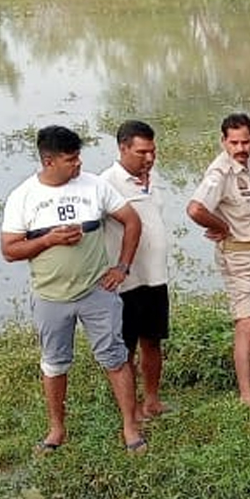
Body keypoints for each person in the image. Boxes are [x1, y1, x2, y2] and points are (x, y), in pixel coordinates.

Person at [0, 124, 147, 454]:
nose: (77, 164)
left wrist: (121, 266)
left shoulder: (94, 186)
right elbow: (9, 250)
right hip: (51, 297)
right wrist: (49, 239)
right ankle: (56, 430)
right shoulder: (24, 197)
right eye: (70, 159)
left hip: (97, 292)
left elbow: (132, 221)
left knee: (115, 356)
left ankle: (130, 427)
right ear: (48, 161)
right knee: (54, 362)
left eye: (78, 157)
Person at [186, 113, 250, 411]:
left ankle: (249, 377)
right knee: (246, 322)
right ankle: (246, 395)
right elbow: (196, 209)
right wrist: (222, 227)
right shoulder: (219, 174)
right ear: (223, 141)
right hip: (236, 255)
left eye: (245, 141)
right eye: (233, 142)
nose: (240, 148)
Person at [99, 120, 171, 423]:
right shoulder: (105, 184)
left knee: (152, 340)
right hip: (126, 282)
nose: (149, 158)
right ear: (123, 148)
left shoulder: (154, 180)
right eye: (142, 152)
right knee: (125, 346)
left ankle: (152, 399)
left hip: (155, 276)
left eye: (152, 151)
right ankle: (130, 409)